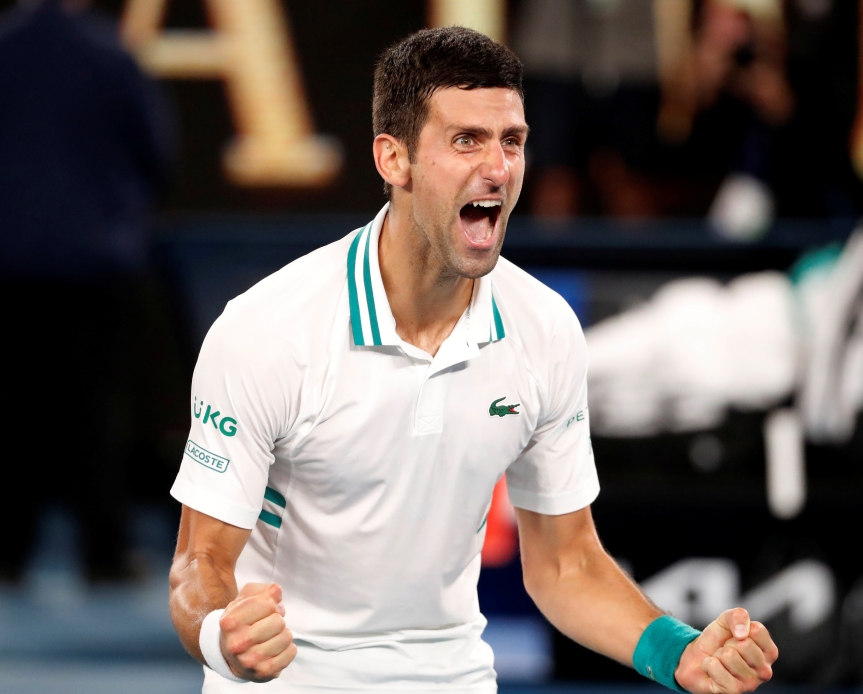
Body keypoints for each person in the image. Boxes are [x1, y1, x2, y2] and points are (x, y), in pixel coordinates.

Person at [168, 27, 778, 693]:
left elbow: (567, 563)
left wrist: (679, 653)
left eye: (511, 141)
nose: (499, 168)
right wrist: (222, 634)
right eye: (467, 141)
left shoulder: (544, 329)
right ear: (392, 159)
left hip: (453, 675)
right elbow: (199, 563)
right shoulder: (267, 330)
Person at [0, 0, 174, 583]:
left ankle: (8, 553)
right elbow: (155, 151)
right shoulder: (109, 55)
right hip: (94, 263)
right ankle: (105, 553)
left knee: (12, 409)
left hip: (9, 264)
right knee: (95, 409)